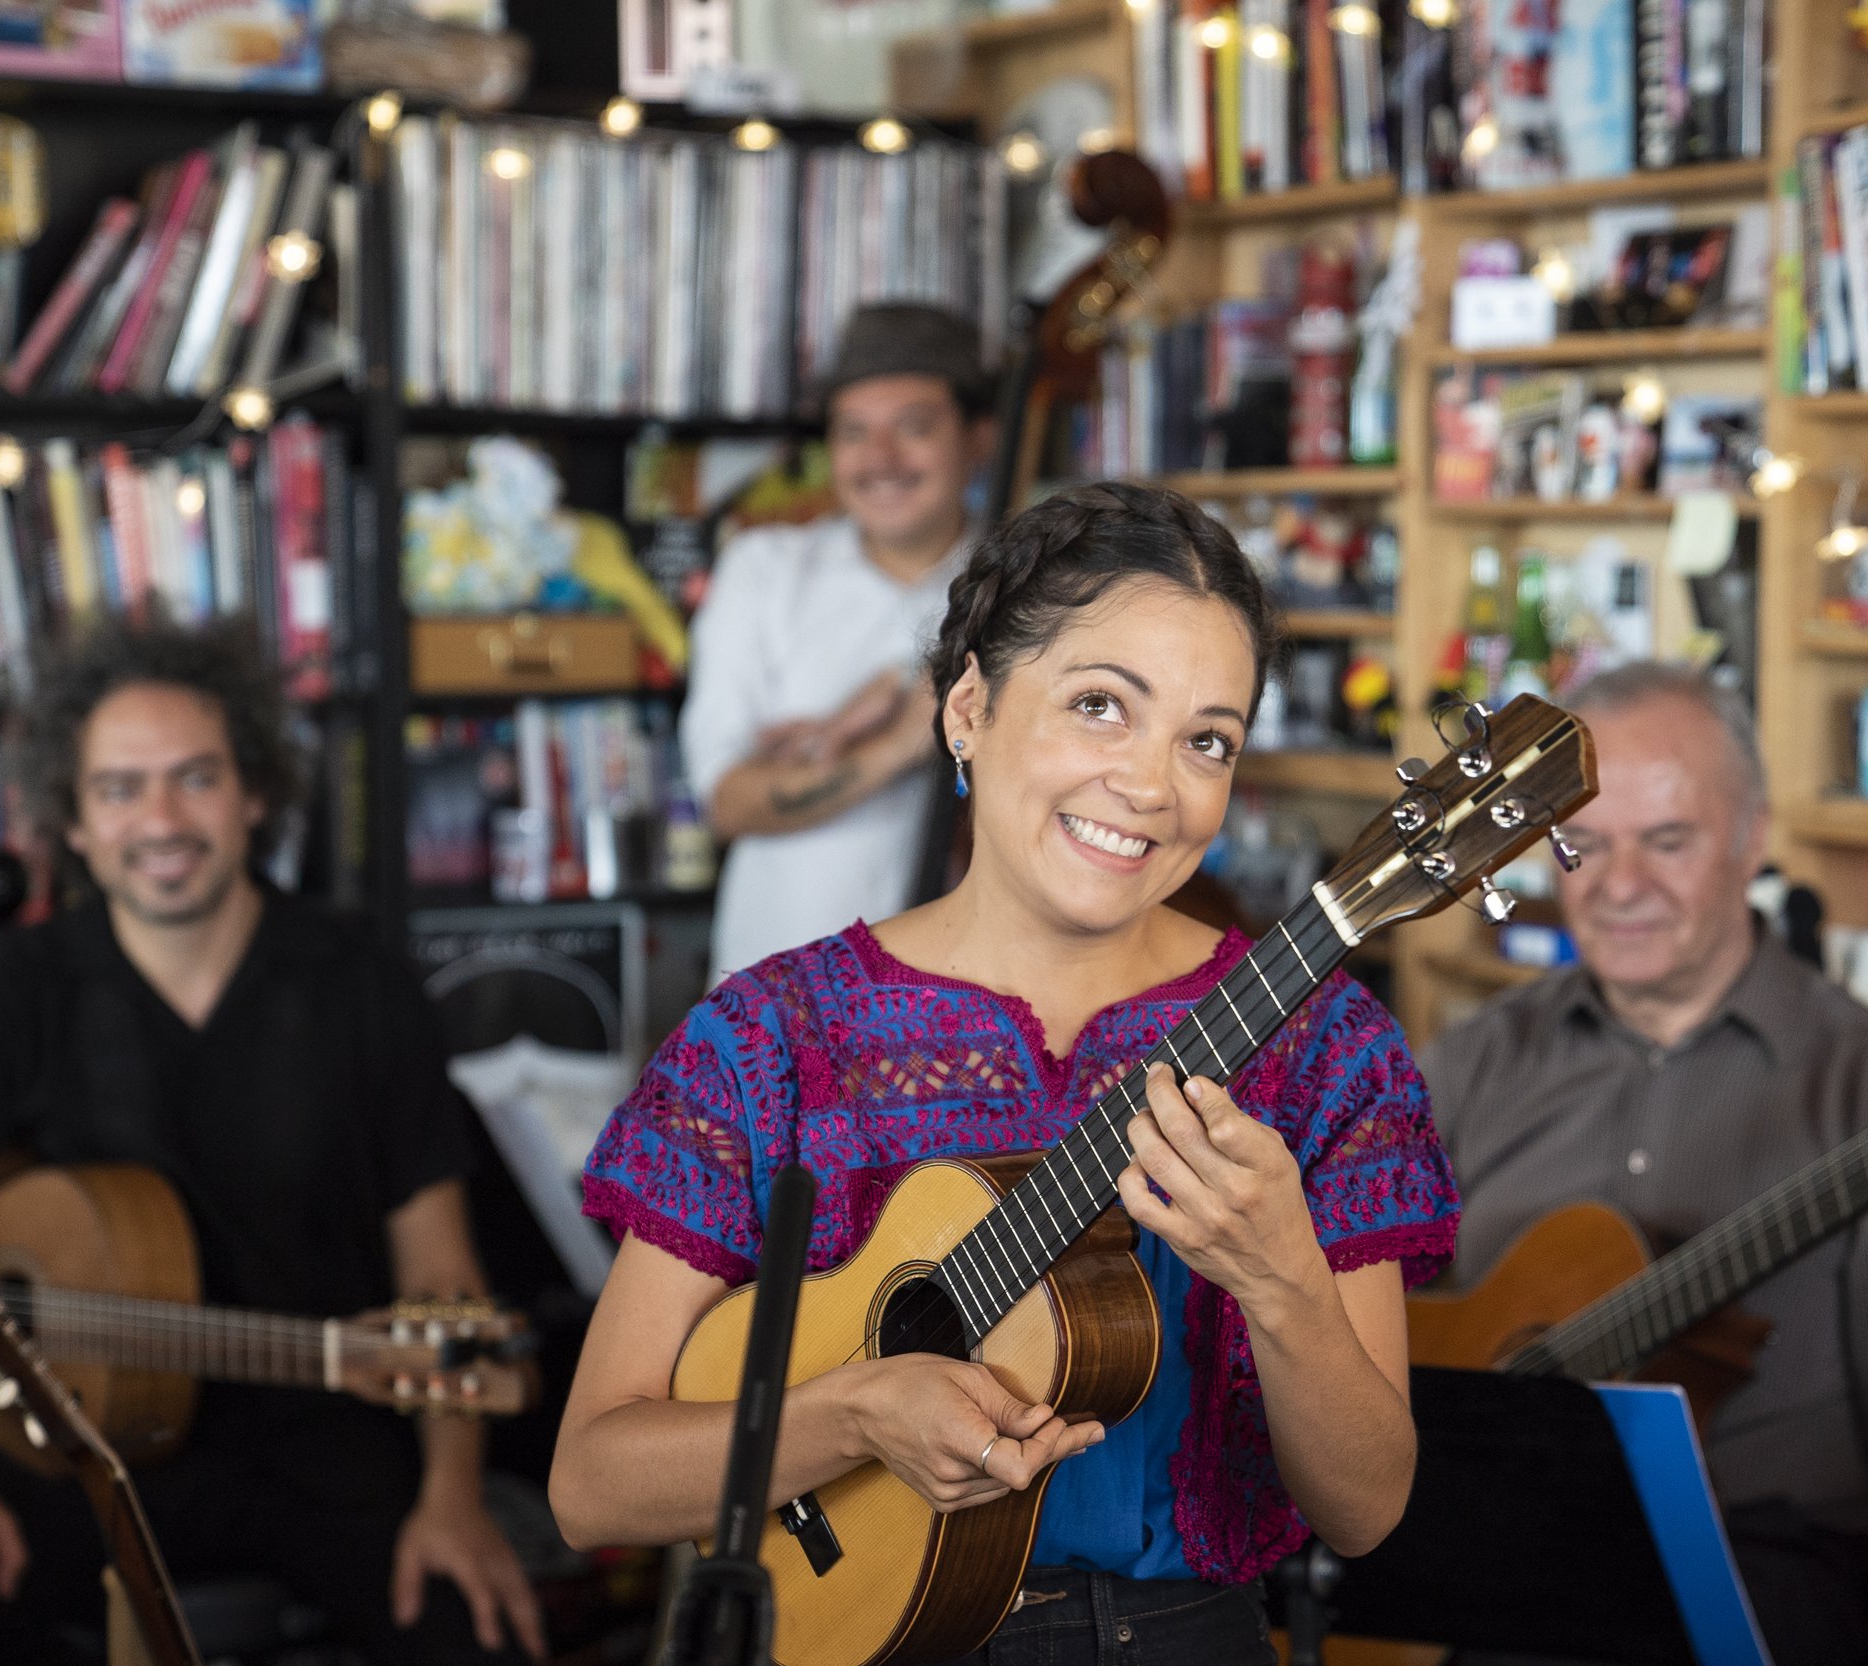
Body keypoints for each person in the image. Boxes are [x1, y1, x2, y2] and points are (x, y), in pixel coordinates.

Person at [553, 481, 1459, 1662]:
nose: (1150, 785)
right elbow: (592, 1481)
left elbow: (1366, 1507)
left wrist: (1282, 1279)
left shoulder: (1323, 1049)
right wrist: (854, 1415)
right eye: (1100, 706)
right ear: (969, 705)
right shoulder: (773, 1038)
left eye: (1207, 740)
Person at [0, 616, 544, 1665]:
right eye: (119, 788)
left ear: (255, 793)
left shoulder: (363, 989)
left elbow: (443, 1273)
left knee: (473, 1633)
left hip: (326, 1447)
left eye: (195, 778)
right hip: (67, 1459)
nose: (160, 818)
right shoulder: (9, 999)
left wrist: (453, 1494)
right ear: (73, 821)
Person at [1421, 662, 1868, 1666]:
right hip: (1485, 1560)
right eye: (1586, 844)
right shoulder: (1477, 1059)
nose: (1620, 885)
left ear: (1751, 838)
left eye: (1667, 840)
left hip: (1755, 1576)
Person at [680, 301, 997, 983]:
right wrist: (899, 743)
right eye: (855, 432)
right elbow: (730, 801)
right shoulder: (763, 569)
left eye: (913, 428)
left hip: (974, 1002)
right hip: (781, 1000)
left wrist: (826, 752)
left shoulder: (1028, 587)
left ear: (979, 437)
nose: (880, 459)